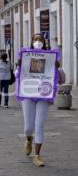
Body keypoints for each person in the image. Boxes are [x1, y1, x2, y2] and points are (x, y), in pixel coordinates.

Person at [17, 33, 65, 167]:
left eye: (41, 40)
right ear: (32, 41)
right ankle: (28, 139)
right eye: (36, 39)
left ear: (45, 42)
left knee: (39, 125)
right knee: (28, 127)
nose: (38, 42)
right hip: (28, 94)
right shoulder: (25, 57)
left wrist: (57, 67)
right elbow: (17, 75)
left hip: (44, 94)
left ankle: (37, 155)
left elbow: (60, 77)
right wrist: (19, 66)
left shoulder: (50, 57)